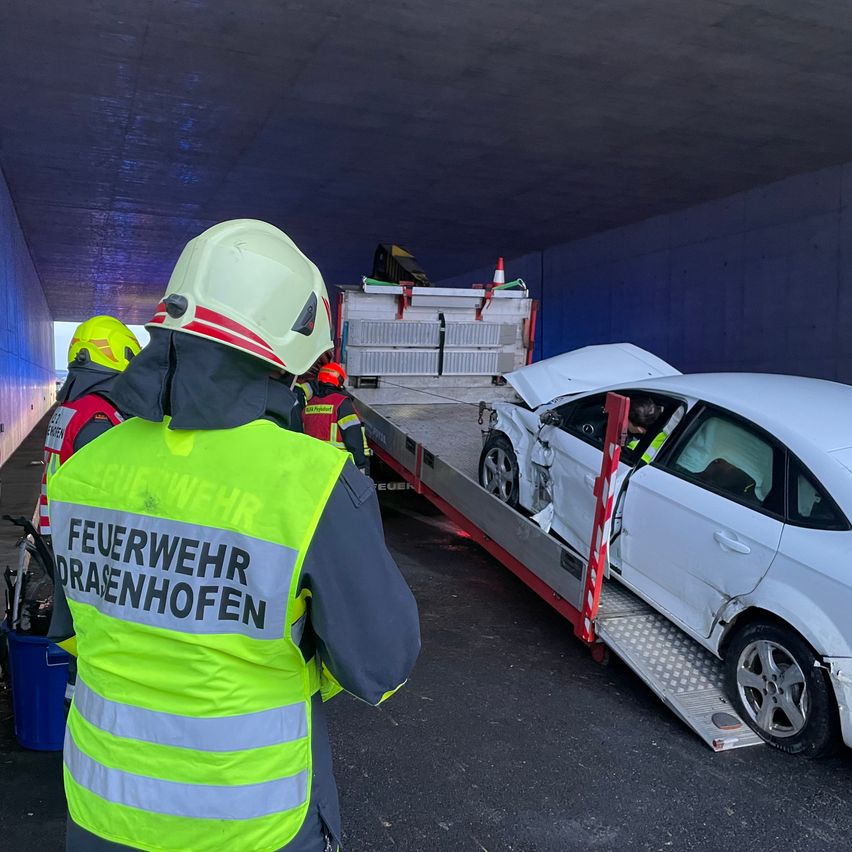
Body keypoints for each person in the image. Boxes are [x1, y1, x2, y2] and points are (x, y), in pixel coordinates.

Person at [49, 220, 421, 852]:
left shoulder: (85, 469)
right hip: (252, 824)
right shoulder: (313, 486)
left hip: (101, 817)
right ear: (285, 348)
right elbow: (381, 665)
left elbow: (75, 632)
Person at [40, 316, 141, 699]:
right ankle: (85, 702)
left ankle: (75, 694)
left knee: (78, 628)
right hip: (82, 541)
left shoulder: (71, 407)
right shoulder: (99, 416)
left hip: (60, 533)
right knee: (92, 628)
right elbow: (109, 489)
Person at [298, 362, 370, 474]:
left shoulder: (309, 405)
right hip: (338, 466)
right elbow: (353, 437)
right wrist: (361, 465)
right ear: (339, 381)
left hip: (313, 466)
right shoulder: (341, 404)